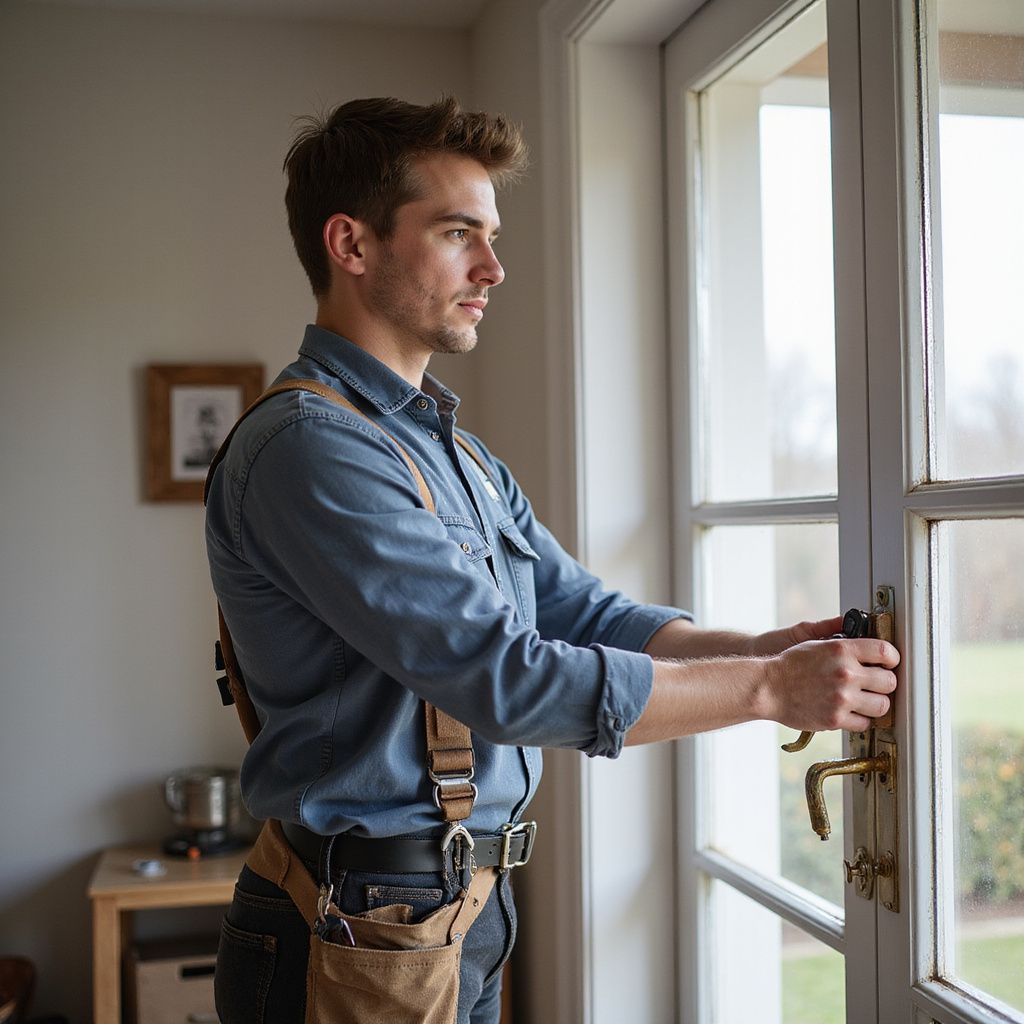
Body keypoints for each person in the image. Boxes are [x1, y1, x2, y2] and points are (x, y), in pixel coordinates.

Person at [204, 95, 899, 1024]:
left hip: (457, 910)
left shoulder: (453, 452)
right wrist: (770, 689)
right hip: (352, 923)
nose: (494, 266)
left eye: (489, 235)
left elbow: (583, 614)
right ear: (352, 244)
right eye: (458, 233)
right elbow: (507, 680)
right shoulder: (310, 448)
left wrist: (763, 645)